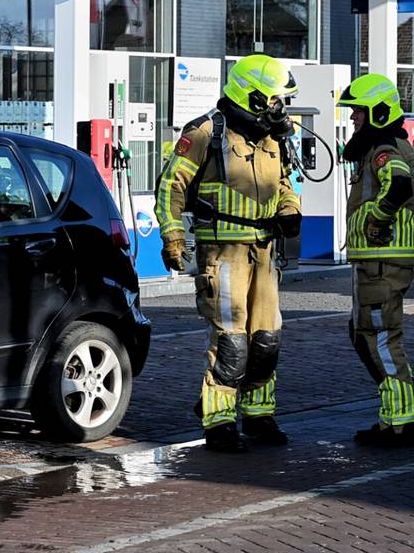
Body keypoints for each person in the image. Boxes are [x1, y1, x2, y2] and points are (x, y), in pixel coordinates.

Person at [154, 54, 301, 453]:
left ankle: (259, 416)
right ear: (252, 97)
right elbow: (171, 187)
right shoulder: (205, 132)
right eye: (274, 100)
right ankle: (219, 421)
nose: (280, 109)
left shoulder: (272, 137)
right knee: (232, 343)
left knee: (266, 340)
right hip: (223, 253)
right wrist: (173, 239)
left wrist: (290, 210)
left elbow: (284, 182)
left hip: (265, 254)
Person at [337, 73, 414, 447]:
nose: (353, 119)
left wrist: (376, 219)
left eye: (358, 112)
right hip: (377, 261)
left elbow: (399, 184)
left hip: (381, 261)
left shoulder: (386, 149)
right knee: (365, 334)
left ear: (378, 113)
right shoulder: (380, 147)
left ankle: (400, 421)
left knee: (379, 337)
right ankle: (398, 414)